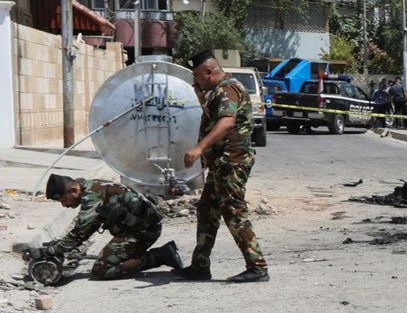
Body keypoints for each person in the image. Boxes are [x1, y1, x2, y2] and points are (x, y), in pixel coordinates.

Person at [180, 50, 270, 283]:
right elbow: (214, 116)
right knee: (207, 210)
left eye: (198, 76)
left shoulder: (228, 89)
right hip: (221, 163)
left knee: (233, 211)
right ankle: (200, 265)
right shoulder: (217, 91)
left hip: (232, 160)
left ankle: (257, 266)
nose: (196, 80)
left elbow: (227, 122)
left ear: (209, 71)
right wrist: (200, 94)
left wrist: (199, 148)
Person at [37, 174, 182, 280]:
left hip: (142, 232)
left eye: (64, 200)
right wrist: (58, 245)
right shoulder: (91, 186)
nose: (65, 205)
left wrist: (54, 249)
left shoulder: (92, 195)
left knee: (102, 269)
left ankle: (160, 256)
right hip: (135, 229)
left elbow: (81, 232)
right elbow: (89, 227)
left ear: (74, 190)